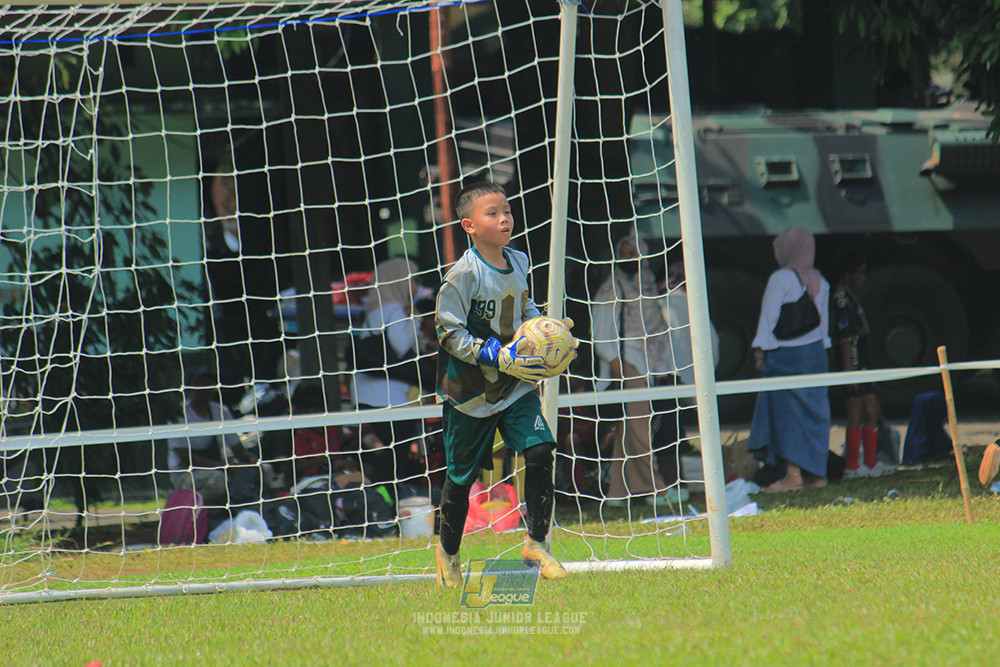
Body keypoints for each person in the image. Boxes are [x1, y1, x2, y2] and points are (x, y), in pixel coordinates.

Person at [433, 181, 575, 587]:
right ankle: (448, 552)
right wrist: (495, 354)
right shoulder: (462, 275)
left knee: (542, 447)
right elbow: (448, 332)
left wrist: (549, 332)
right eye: (492, 213)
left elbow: (524, 308)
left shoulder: (519, 259)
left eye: (507, 211)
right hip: (470, 393)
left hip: (514, 387)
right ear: (469, 226)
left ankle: (536, 543)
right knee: (461, 481)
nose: (504, 218)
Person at [590, 231, 676, 507]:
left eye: (633, 253)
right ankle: (656, 490)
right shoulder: (612, 287)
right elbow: (602, 332)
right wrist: (618, 364)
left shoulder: (648, 285)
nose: (628, 258)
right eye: (623, 253)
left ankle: (618, 492)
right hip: (628, 367)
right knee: (640, 431)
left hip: (646, 365)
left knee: (630, 430)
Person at [747, 228, 832, 492]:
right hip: (816, 355)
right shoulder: (822, 281)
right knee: (815, 415)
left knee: (787, 416)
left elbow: (768, 320)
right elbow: (824, 329)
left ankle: (792, 476)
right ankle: (817, 475)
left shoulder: (781, 278)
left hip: (787, 357)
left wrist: (761, 351)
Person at [350, 257, 426, 488]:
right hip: (386, 398)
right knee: (400, 455)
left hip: (366, 394)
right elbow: (400, 345)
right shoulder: (393, 309)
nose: (417, 286)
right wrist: (417, 318)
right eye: (414, 279)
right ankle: (396, 500)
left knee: (389, 453)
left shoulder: (373, 309)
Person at [829, 248, 883, 476]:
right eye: (860, 272)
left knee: (871, 409)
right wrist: (849, 370)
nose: (863, 277)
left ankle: (870, 461)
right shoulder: (841, 299)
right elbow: (845, 336)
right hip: (854, 362)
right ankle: (852, 464)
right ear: (847, 274)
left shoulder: (851, 296)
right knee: (855, 411)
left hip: (864, 363)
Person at [167, 372, 257, 506]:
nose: (207, 389)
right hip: (186, 473)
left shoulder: (221, 411)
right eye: (202, 385)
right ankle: (188, 509)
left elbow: (237, 449)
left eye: (210, 385)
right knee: (218, 481)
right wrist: (224, 467)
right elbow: (186, 457)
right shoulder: (179, 415)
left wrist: (251, 462)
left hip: (218, 466)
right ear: (191, 387)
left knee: (261, 471)